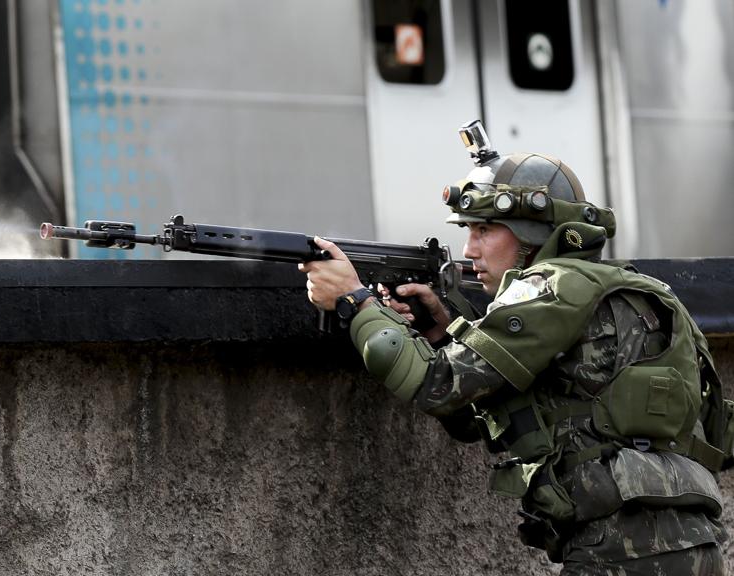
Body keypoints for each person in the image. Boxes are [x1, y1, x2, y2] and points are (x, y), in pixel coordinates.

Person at [300, 120, 732, 575]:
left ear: (532, 236)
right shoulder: (643, 293)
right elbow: (478, 411)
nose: (469, 249)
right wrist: (441, 334)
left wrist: (354, 300)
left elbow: (437, 384)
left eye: (485, 229)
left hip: (617, 553)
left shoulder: (550, 288)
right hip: (694, 548)